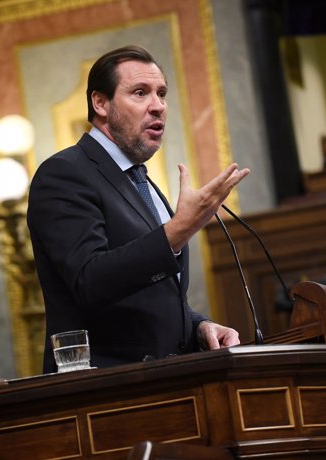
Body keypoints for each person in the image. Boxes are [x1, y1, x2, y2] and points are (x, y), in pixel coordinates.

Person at [27, 45, 250, 373]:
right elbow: (90, 281)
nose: (158, 106)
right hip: (103, 390)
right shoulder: (64, 173)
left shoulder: (139, 179)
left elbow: (149, 297)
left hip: (162, 382)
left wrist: (199, 327)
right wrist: (178, 231)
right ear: (100, 103)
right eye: (140, 93)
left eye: (162, 94)